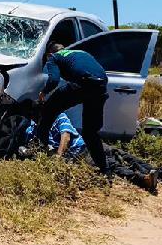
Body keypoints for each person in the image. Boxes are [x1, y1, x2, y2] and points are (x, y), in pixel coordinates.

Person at [23, 112, 162, 193]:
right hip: (81, 153)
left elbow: (65, 135)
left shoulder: (58, 116)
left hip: (83, 148)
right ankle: (145, 179)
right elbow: (31, 146)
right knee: (113, 164)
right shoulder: (32, 129)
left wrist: (58, 157)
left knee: (123, 156)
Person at [38, 43, 109, 172]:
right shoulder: (82, 52)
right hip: (101, 87)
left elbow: (54, 80)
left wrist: (44, 92)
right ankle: (105, 170)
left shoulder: (54, 57)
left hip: (82, 83)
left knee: (48, 111)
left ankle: (39, 151)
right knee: (90, 133)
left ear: (49, 54)